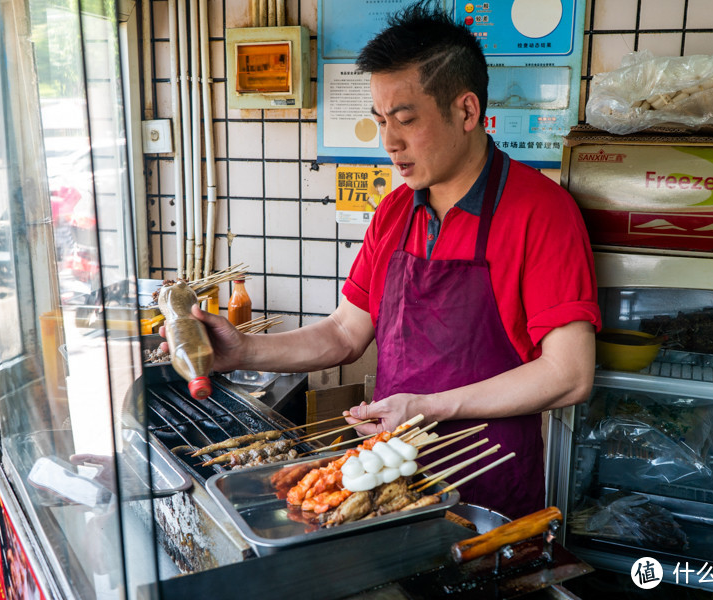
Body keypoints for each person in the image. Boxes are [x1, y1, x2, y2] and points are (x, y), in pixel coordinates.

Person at [163, 1, 601, 518]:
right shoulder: (396, 211)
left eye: (406, 120)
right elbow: (346, 334)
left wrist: (429, 407)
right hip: (388, 481)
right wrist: (244, 351)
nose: (389, 142)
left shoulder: (541, 212)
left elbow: (570, 373)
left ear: (466, 111)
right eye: (380, 120)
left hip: (489, 486)